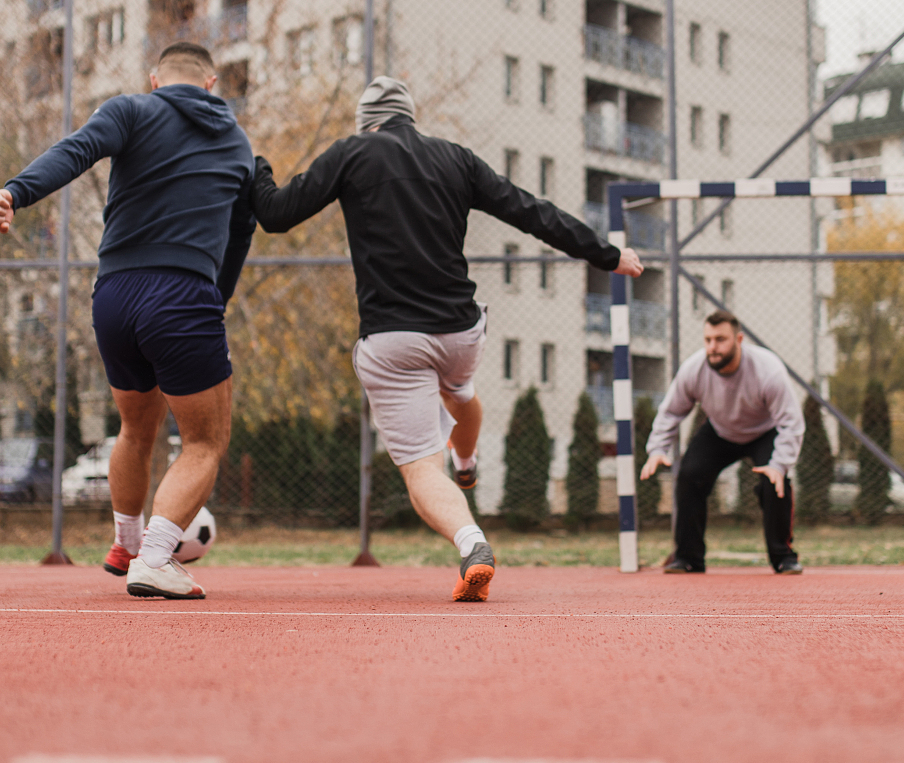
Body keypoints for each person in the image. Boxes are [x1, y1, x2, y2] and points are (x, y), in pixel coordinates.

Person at [249, 76, 642, 601]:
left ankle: (471, 541)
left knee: (419, 470)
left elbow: (274, 214)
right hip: (460, 331)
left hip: (395, 342)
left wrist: (255, 166)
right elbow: (530, 211)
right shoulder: (455, 158)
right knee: (458, 396)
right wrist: (606, 253)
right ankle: (467, 460)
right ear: (410, 117)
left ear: (366, 121)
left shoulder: (351, 152)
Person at [0, 42, 255, 601]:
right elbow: (240, 231)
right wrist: (214, 298)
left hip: (114, 296)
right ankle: (154, 559)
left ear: (157, 79)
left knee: (136, 427)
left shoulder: (132, 108)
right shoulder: (235, 141)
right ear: (211, 83)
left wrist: (13, 192)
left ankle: (126, 543)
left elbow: (75, 151)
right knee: (204, 440)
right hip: (182, 295)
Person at [640, 310, 806, 575]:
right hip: (720, 431)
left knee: (775, 482)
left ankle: (784, 557)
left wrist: (780, 464)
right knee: (689, 476)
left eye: (720, 339)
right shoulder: (694, 369)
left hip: (764, 431)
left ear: (739, 339)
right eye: (707, 340)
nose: (712, 347)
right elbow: (671, 411)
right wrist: (657, 449)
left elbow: (791, 422)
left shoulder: (768, 369)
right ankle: (688, 557)